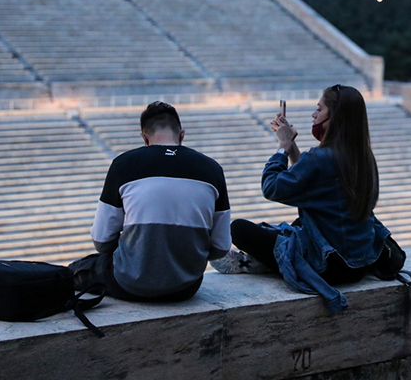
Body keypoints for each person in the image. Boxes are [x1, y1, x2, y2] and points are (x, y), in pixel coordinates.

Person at [212, 85, 390, 313]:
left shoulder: (320, 158)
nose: (314, 115)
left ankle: (259, 263)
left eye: (319, 109)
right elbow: (311, 180)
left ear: (333, 117)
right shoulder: (364, 158)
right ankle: (264, 262)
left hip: (329, 265)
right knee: (292, 228)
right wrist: (294, 146)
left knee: (238, 229)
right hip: (361, 263)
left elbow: (272, 187)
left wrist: (283, 147)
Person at [70, 101, 231, 301]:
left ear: (144, 138)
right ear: (182, 135)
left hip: (129, 284)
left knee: (78, 270)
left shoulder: (123, 165)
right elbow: (221, 247)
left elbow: (101, 240)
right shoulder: (213, 169)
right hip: (187, 287)